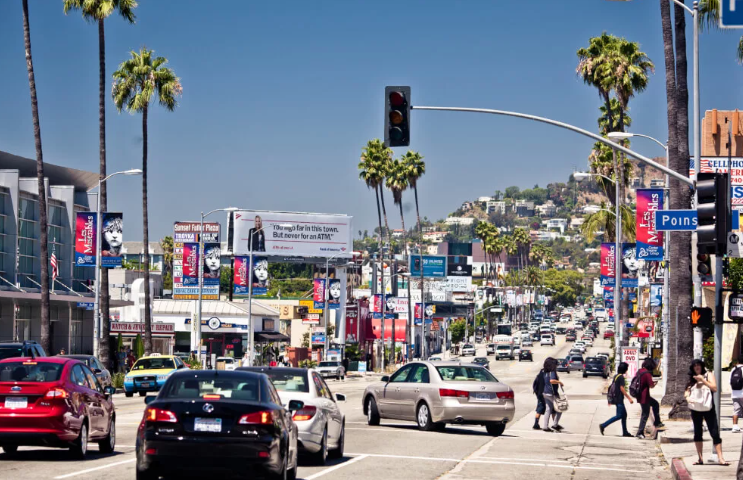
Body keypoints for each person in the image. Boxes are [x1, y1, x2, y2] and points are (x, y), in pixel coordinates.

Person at [685, 359, 728, 465]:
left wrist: (703, 380)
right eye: (694, 366)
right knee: (697, 433)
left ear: (702, 366)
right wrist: (687, 398)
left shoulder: (708, 375)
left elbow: (714, 388)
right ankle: (700, 459)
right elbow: (686, 391)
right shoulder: (692, 379)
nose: (697, 367)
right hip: (696, 408)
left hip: (708, 408)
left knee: (714, 433)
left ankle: (721, 458)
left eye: (698, 365)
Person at [599, 362, 634, 437]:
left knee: (624, 415)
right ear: (624, 369)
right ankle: (603, 425)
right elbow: (622, 388)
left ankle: (625, 432)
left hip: (616, 398)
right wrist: (629, 398)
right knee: (619, 416)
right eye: (626, 368)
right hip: (619, 399)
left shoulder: (616, 376)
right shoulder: (621, 377)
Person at [635, 357, 664, 439]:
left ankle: (657, 422)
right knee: (645, 414)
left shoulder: (640, 371)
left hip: (640, 395)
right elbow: (651, 385)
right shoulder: (647, 373)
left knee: (655, 404)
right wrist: (655, 383)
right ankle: (640, 432)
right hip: (645, 397)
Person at [541, 357, 564, 432]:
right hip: (552, 393)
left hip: (545, 392)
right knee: (560, 409)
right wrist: (559, 382)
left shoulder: (544, 371)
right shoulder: (552, 371)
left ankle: (545, 426)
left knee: (548, 409)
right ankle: (555, 424)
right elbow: (552, 380)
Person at [731, 355, 743, 433]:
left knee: (736, 410)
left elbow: (730, 381)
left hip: (734, 393)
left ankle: (735, 426)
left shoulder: (733, 369)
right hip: (742, 393)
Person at [532, 365, 546, 430]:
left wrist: (537, 393)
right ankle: (535, 424)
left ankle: (536, 423)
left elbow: (534, 385)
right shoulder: (546, 375)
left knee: (540, 408)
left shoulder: (539, 375)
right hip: (544, 394)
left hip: (539, 394)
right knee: (541, 409)